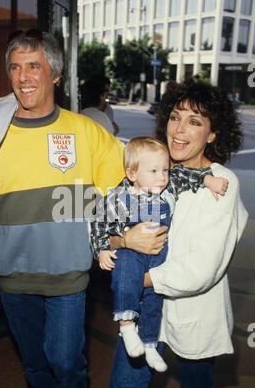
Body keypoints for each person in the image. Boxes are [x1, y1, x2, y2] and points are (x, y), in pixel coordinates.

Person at [0, 29, 127, 388]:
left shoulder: (85, 132)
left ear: (54, 73)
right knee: (33, 359)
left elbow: (120, 194)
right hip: (11, 272)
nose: (23, 76)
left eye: (34, 65)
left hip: (67, 272)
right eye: (15, 68)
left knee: (67, 360)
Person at [99, 78, 248, 388]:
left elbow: (200, 271)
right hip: (141, 314)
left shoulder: (222, 184)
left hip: (193, 311)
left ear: (213, 134)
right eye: (175, 117)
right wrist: (120, 243)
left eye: (195, 122)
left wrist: (133, 279)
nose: (179, 130)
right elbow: (108, 226)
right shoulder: (149, 164)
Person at [90, 137, 228, 373]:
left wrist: (209, 180)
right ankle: (126, 325)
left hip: (158, 255)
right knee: (124, 275)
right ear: (132, 174)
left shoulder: (168, 186)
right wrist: (102, 249)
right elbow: (98, 224)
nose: (162, 176)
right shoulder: (118, 198)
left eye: (165, 169)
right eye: (154, 171)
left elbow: (186, 175)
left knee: (155, 301)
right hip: (131, 254)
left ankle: (150, 343)